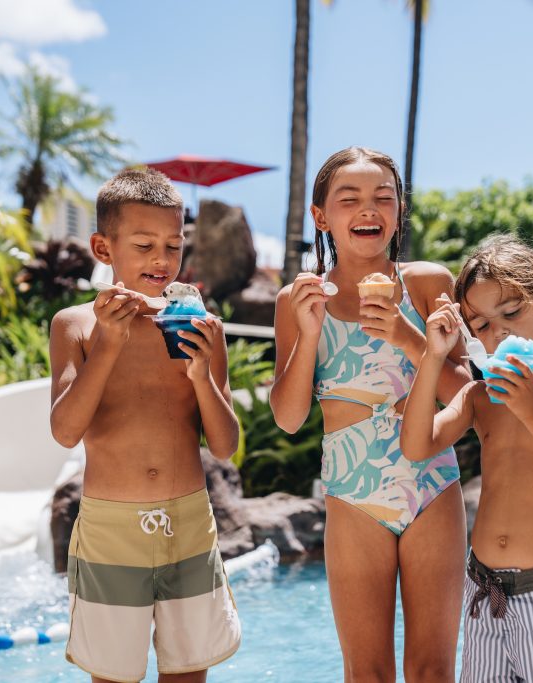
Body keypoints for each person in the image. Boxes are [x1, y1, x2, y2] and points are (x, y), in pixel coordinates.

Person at [270, 146, 472, 682]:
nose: (369, 209)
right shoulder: (299, 298)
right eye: (350, 199)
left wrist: (409, 337)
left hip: (431, 482)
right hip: (352, 491)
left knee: (432, 671)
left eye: (384, 197)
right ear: (322, 216)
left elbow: (468, 397)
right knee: (367, 673)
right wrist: (309, 334)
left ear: (399, 211)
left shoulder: (428, 284)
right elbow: (289, 417)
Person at [49, 167, 241, 683]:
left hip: (188, 526)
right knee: (113, 675)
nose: (162, 259)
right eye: (144, 245)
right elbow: (66, 430)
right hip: (111, 530)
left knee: (186, 674)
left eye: (173, 246)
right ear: (103, 247)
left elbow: (224, 446)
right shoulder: (76, 325)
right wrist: (108, 345)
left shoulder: (202, 328)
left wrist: (201, 374)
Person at [400, 233, 533, 683]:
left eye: (512, 312)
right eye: (480, 325)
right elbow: (416, 444)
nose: (497, 332)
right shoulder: (480, 395)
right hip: (484, 590)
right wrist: (432, 355)